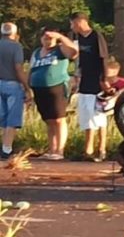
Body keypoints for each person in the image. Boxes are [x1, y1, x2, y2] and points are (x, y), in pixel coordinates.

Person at [29, 27, 79, 160]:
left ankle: (59, 151)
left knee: (59, 119)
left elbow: (74, 52)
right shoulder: (37, 52)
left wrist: (60, 37)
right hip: (39, 88)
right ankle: (52, 149)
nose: (47, 40)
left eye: (50, 38)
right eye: (45, 38)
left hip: (56, 87)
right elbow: (32, 69)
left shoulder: (60, 49)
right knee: (49, 120)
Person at [70, 12, 111, 161]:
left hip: (97, 81)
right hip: (84, 81)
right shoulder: (77, 39)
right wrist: (76, 78)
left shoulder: (96, 36)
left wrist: (104, 79)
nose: (71, 27)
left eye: (72, 23)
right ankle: (88, 149)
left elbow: (103, 57)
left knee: (99, 115)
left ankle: (101, 149)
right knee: (86, 114)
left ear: (79, 22)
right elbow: (77, 60)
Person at [0, 22, 32, 160]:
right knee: (11, 119)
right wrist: (26, 87)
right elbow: (18, 68)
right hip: (12, 84)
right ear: (15, 34)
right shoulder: (16, 46)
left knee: (1, 116)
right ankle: (6, 149)